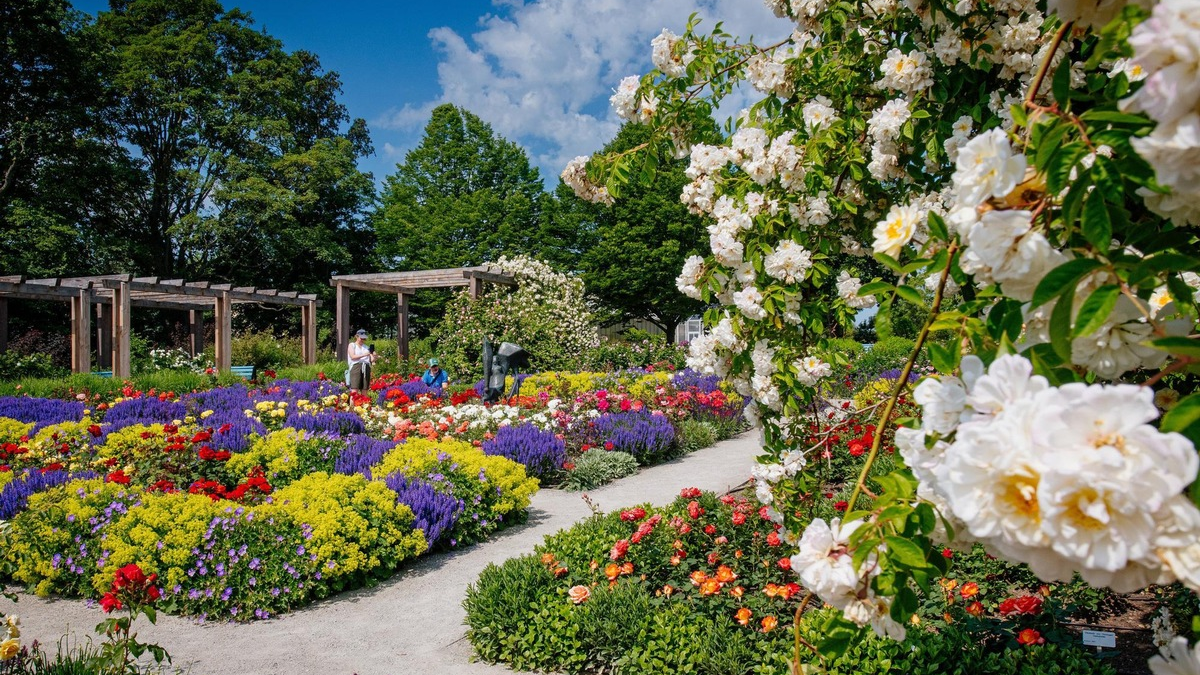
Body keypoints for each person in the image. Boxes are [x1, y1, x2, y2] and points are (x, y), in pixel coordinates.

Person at [347, 329, 376, 393]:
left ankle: (364, 402)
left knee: (365, 389)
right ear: (356, 337)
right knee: (355, 389)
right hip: (356, 367)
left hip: (366, 367)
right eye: (361, 338)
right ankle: (353, 403)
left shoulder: (366, 347)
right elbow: (352, 356)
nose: (363, 340)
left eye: (364, 339)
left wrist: (373, 355)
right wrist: (365, 354)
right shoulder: (352, 345)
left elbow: (372, 360)